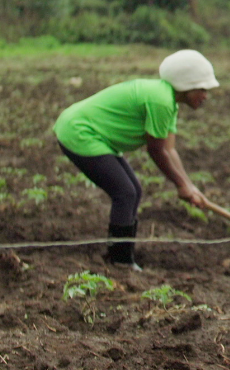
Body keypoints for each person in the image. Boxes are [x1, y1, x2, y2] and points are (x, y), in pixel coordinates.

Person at [53, 49, 217, 271]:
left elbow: (170, 150)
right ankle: (120, 261)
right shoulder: (161, 101)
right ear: (186, 85)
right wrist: (181, 185)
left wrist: (189, 186)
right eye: (202, 89)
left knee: (134, 191)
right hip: (80, 133)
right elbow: (156, 151)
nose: (206, 95)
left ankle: (121, 255)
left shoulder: (168, 101)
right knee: (125, 193)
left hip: (95, 136)